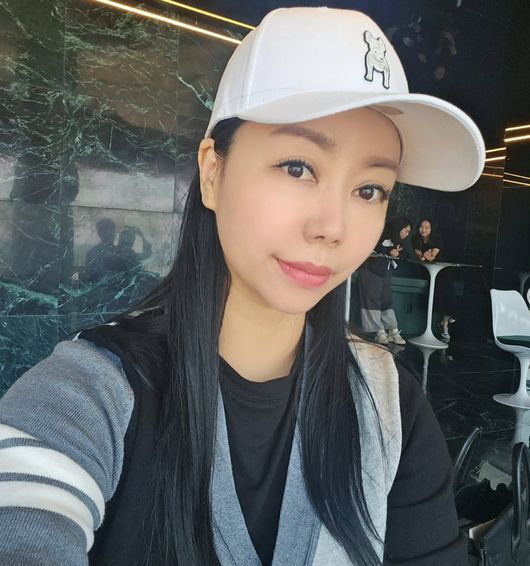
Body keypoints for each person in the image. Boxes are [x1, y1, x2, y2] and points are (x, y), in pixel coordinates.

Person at [0, 8, 485, 566]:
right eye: (298, 167)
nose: (332, 227)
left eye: (370, 189)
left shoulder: (387, 406)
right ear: (213, 172)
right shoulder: (88, 396)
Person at [358, 217, 411, 345]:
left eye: (408, 232)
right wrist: (388, 251)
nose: (407, 234)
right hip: (371, 269)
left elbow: (407, 254)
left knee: (387, 300)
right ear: (399, 228)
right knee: (372, 299)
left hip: (384, 270)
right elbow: (372, 248)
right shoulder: (381, 233)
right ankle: (378, 331)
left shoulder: (397, 240)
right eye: (406, 231)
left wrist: (396, 254)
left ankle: (392, 329)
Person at [412, 218, 457, 341]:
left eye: (427, 228)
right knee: (441, 288)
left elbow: (433, 256)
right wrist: (424, 257)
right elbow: (420, 256)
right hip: (427, 270)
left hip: (441, 269)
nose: (423, 230)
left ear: (431, 229)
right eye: (421, 227)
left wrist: (428, 257)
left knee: (447, 287)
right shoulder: (415, 239)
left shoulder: (436, 239)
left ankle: (445, 322)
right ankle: (447, 318)